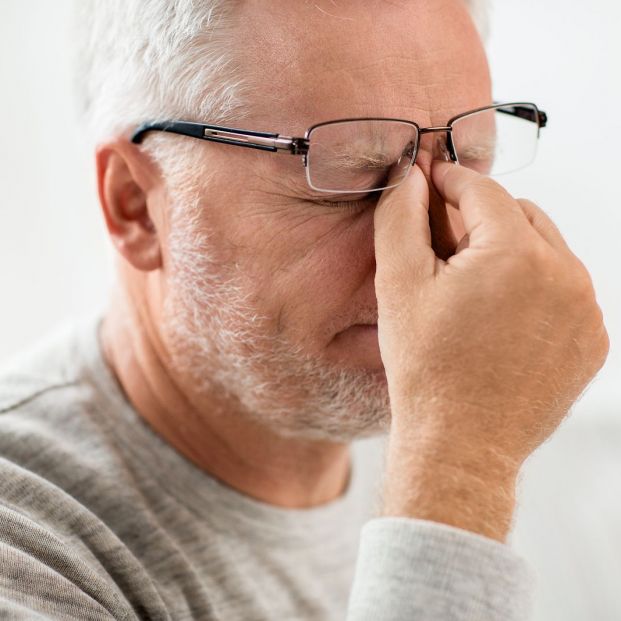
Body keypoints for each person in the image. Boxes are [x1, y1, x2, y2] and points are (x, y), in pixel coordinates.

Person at [0, 1, 609, 619]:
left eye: (469, 157)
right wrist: (462, 472)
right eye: (349, 174)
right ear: (135, 204)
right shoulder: (23, 540)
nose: (440, 243)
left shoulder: (529, 444)